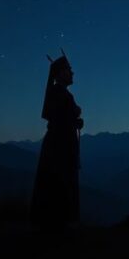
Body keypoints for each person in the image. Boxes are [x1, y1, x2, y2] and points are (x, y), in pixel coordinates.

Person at [31, 52, 83, 229]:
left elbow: (57, 117)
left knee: (55, 181)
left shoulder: (58, 93)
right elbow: (60, 118)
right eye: (69, 70)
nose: (72, 73)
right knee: (60, 181)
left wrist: (74, 121)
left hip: (58, 145)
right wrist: (74, 119)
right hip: (61, 147)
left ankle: (53, 222)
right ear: (61, 73)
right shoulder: (60, 93)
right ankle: (58, 224)